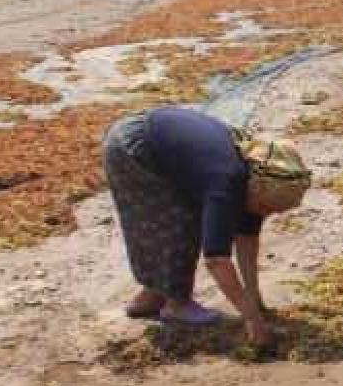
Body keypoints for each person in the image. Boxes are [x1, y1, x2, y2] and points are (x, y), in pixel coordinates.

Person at [102, 107, 311, 348]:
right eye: (267, 207)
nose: (267, 214)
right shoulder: (226, 183)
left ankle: (151, 298)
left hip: (159, 142)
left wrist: (254, 297)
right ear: (259, 191)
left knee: (182, 218)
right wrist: (251, 319)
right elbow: (217, 260)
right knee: (175, 223)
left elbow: (247, 239)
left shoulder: (255, 178)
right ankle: (176, 305)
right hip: (131, 149)